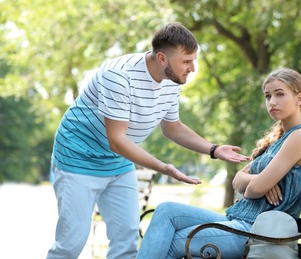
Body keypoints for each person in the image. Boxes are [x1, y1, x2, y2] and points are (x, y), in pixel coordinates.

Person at [47, 23, 249, 259]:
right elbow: (118, 140)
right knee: (71, 242)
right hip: (78, 159)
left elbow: (173, 128)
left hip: (117, 162)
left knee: (126, 240)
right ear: (162, 58)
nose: (192, 68)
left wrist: (213, 149)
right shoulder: (118, 76)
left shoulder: (172, 82)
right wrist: (165, 168)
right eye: (186, 61)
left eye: (194, 60)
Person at [137, 68, 301, 259]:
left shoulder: (300, 137)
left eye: (280, 94)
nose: (272, 102)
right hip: (240, 220)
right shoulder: (278, 140)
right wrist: (258, 181)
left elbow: (251, 190)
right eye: (268, 96)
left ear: (299, 98)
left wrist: (256, 184)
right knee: (166, 210)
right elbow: (238, 181)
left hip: (255, 232)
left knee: (172, 241)